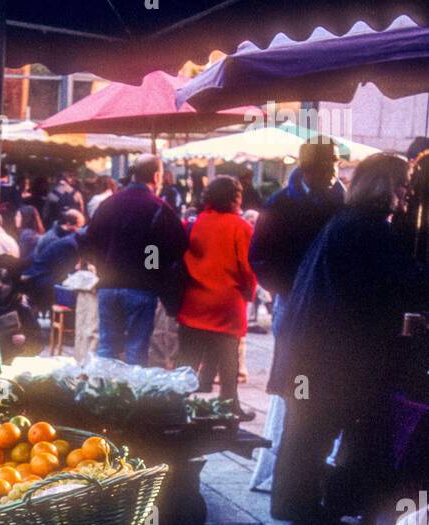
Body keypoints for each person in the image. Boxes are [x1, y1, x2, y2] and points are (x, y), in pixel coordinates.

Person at [271, 153, 429, 525]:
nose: (407, 194)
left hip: (309, 348)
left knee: (304, 430)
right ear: (386, 186)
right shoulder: (368, 228)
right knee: (315, 431)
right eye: (403, 185)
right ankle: (306, 510)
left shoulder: (345, 222)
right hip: (328, 355)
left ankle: (291, 503)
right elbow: (406, 281)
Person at [248, 138, 345, 491]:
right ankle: (289, 464)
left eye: (336, 162)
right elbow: (259, 257)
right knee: (297, 376)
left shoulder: (340, 197)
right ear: (308, 169)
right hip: (294, 301)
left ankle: (308, 465)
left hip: (330, 303)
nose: (335, 170)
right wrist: (286, 288)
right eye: (328, 164)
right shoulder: (281, 203)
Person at [79, 157, 187, 366]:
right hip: (140, 287)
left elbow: (87, 241)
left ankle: (102, 394)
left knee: (107, 346)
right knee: (136, 349)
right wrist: (151, 268)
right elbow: (170, 247)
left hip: (108, 286)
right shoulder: (157, 207)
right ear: (156, 177)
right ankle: (130, 396)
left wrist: (104, 265)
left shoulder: (109, 203)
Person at [176, 175, 256, 418]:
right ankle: (229, 405)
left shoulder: (192, 222)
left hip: (194, 301)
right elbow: (247, 265)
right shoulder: (241, 227)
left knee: (187, 360)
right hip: (227, 303)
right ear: (235, 199)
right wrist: (249, 292)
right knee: (228, 360)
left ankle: (177, 404)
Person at [20, 208, 84, 314]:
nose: (79, 230)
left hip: (40, 277)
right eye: (79, 226)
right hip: (42, 280)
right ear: (68, 224)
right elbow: (54, 266)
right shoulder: (54, 239)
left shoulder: (57, 236)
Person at [0, 255, 42, 361]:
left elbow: (38, 343)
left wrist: (25, 340)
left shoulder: (22, 309)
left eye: (5, 282)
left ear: (13, 285)